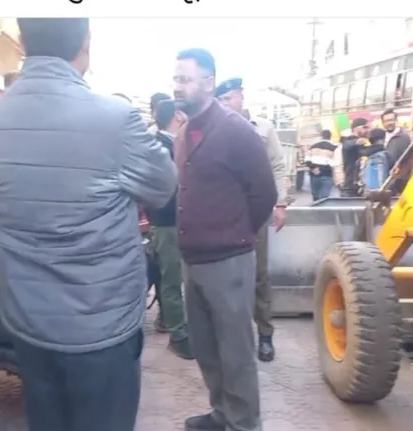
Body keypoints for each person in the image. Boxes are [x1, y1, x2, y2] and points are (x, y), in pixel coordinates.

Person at [0, 18, 177, 431]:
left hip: (28, 318)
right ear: (86, 42)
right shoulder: (114, 118)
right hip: (101, 324)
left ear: (22, 42)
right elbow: (163, 187)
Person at [173, 48, 277, 431]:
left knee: (235, 353)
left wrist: (236, 233)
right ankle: (222, 414)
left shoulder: (234, 130)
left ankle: (244, 424)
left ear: (209, 82)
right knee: (207, 349)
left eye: (185, 78)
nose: (178, 86)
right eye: (176, 79)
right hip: (194, 260)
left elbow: (264, 193)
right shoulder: (185, 132)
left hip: (228, 261)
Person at [215, 76, 287, 362]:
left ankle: (265, 334)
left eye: (229, 98)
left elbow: (278, 166)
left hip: (255, 212)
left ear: (241, 97)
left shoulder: (263, 128)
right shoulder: (213, 128)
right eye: (220, 100)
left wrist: (280, 203)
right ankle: (233, 336)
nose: (224, 104)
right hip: (223, 213)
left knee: (259, 275)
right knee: (226, 274)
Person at [147, 99, 193, 359]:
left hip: (177, 220)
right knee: (172, 278)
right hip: (168, 221)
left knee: (178, 277)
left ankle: (181, 326)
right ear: (178, 116)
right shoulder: (161, 147)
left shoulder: (170, 144)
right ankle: (177, 333)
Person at [340, 117, 370, 197]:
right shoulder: (348, 141)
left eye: (368, 127)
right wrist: (356, 142)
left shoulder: (363, 143)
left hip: (360, 186)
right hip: (350, 188)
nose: (367, 130)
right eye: (364, 127)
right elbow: (347, 145)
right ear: (355, 128)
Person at [305, 129, 338, 201]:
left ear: (321, 136)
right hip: (326, 173)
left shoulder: (312, 146)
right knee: (324, 198)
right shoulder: (334, 147)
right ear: (330, 136)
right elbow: (335, 163)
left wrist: (313, 168)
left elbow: (307, 159)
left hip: (314, 173)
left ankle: (315, 206)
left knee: (315, 196)